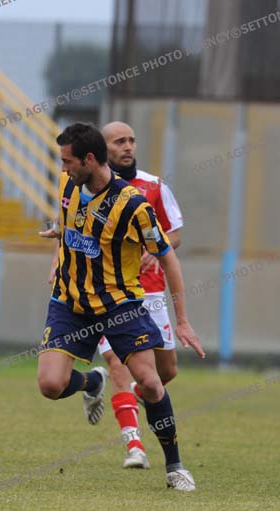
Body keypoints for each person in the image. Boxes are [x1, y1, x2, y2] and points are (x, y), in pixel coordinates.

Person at [38, 123, 205, 491]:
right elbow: (71, 221)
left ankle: (175, 466)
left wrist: (183, 321)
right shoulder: (68, 185)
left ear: (89, 159)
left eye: (67, 161)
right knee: (50, 385)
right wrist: (59, 235)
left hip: (120, 306)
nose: (63, 168)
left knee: (151, 383)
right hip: (70, 301)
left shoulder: (134, 204)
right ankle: (93, 381)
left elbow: (168, 258)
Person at [95, 121, 185, 470]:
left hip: (152, 292)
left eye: (131, 140)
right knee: (118, 363)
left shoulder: (153, 186)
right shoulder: (92, 189)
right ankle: (134, 445)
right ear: (102, 148)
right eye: (119, 141)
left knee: (165, 372)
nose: (128, 146)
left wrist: (155, 248)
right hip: (110, 294)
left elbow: (174, 234)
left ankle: (132, 396)